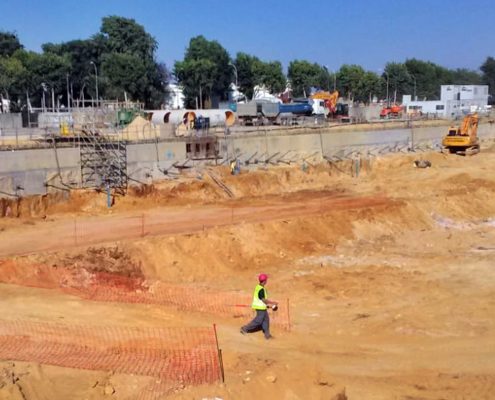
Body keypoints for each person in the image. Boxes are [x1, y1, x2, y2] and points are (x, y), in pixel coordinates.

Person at [240, 273, 278, 339]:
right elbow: (264, 300)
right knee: (258, 321)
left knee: (266, 320)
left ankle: (267, 335)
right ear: (264, 281)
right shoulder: (261, 289)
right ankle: (244, 328)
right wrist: (272, 303)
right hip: (260, 308)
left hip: (261, 307)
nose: (267, 281)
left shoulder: (258, 287)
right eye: (266, 280)